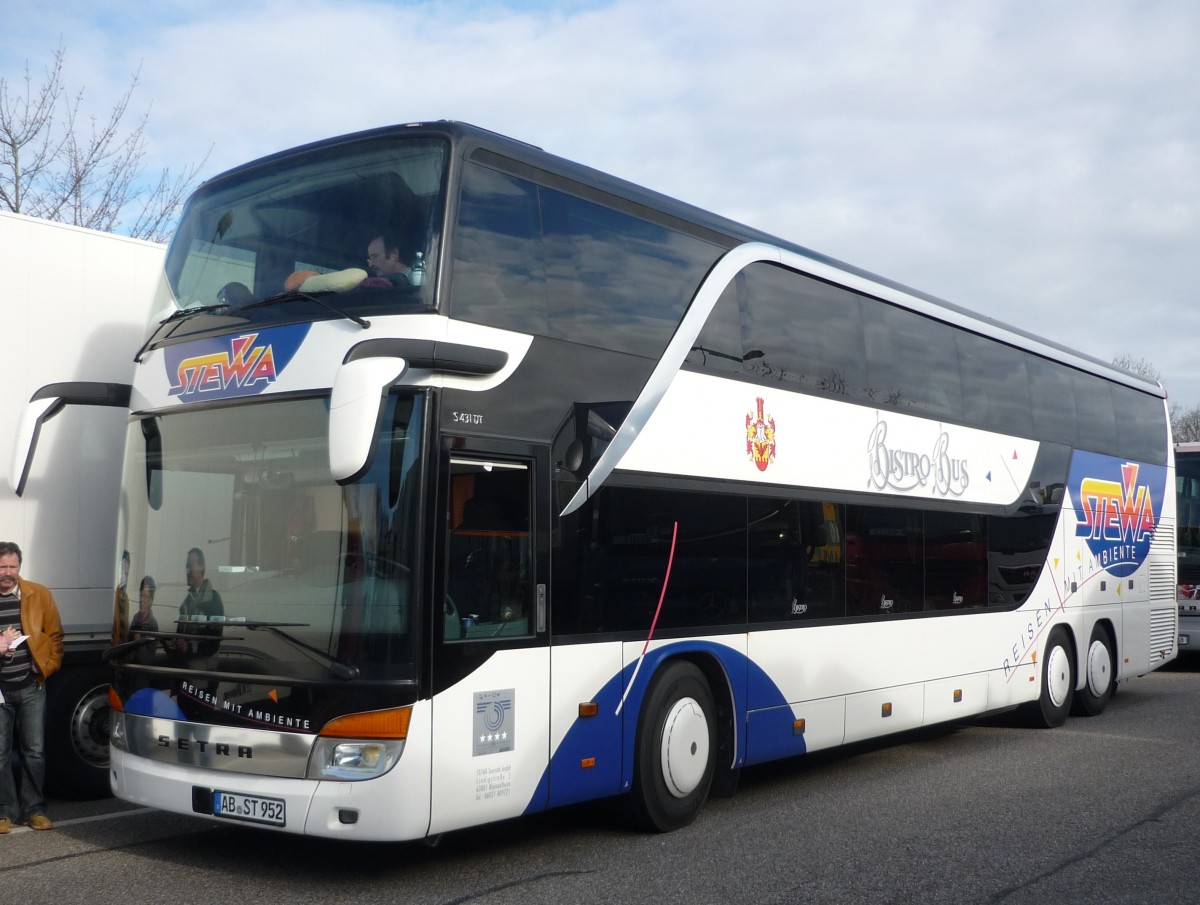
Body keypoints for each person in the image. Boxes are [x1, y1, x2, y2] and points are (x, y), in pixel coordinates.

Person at [0, 540, 63, 833]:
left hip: (30, 685)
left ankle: (34, 810)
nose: (7, 572)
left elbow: (55, 637)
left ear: (20, 567)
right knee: (0, 753)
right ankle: (5, 812)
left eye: (12, 566)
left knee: (34, 751)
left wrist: (45, 668)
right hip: (0, 689)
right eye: (2, 566)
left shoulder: (39, 595)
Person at [168, 548, 224, 657]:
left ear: (201, 567)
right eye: (187, 567)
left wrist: (188, 647)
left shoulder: (213, 600)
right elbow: (180, 636)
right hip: (185, 667)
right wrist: (175, 643)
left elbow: (214, 642)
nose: (187, 571)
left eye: (190, 566)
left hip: (204, 669)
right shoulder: (185, 603)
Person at [113, 549, 131, 645]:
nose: (125, 578)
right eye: (123, 573)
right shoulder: (114, 595)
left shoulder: (126, 598)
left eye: (127, 574)